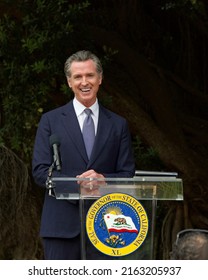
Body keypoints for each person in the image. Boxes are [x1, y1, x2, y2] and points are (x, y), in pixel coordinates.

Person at [32, 50, 135, 260]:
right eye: (78, 77)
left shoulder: (118, 124)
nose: (84, 82)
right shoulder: (51, 121)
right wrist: (76, 184)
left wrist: (103, 180)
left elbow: (127, 174)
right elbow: (40, 172)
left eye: (89, 75)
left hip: (107, 229)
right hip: (61, 228)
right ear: (69, 82)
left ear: (100, 79)